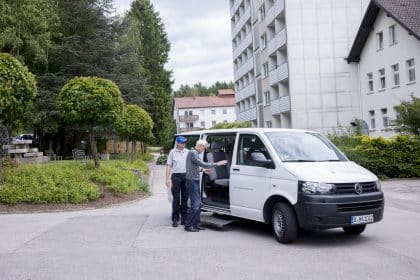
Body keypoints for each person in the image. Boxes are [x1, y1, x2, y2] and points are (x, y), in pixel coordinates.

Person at [184, 139, 227, 232]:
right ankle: (188, 225)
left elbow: (192, 167)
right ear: (200, 146)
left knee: (198, 204)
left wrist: (202, 170)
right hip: (191, 181)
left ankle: (196, 224)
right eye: (204, 148)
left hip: (193, 180)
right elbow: (203, 164)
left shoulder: (193, 152)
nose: (203, 150)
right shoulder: (193, 153)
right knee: (195, 204)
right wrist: (217, 163)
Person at [166, 136, 189, 227]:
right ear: (178, 143)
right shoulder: (172, 152)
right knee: (176, 199)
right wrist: (167, 178)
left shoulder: (187, 152)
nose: (183, 144)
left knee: (185, 198)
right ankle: (175, 219)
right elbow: (168, 165)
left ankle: (184, 219)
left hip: (185, 176)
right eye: (182, 143)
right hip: (175, 177)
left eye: (184, 143)